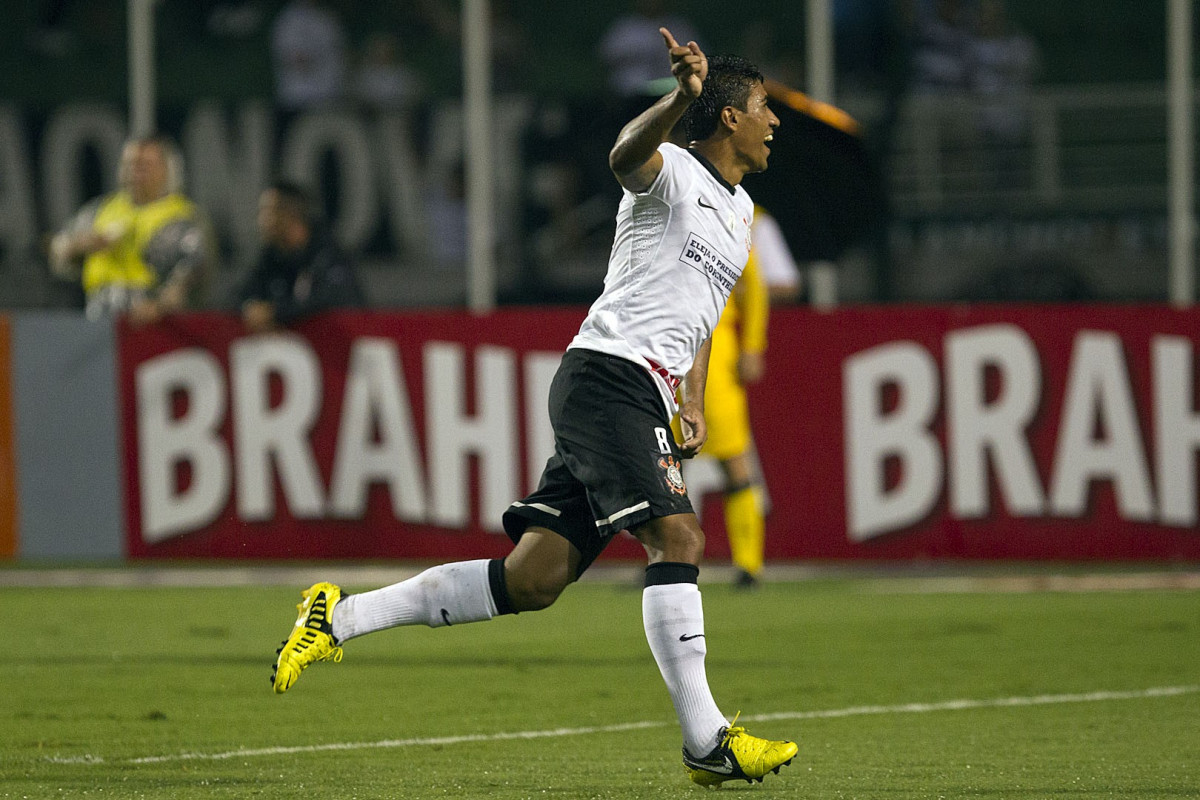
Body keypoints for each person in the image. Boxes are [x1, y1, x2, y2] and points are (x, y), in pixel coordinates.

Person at [270, 30, 797, 787]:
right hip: (608, 375)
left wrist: (689, 388)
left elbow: (704, 311)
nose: (774, 121)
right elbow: (622, 156)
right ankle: (706, 740)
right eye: (762, 107)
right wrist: (677, 98)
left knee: (533, 579)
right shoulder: (673, 170)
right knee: (678, 536)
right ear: (725, 119)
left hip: (644, 386)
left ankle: (338, 617)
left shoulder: (743, 215)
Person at [676, 213, 771, 589]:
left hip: (715, 347)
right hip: (664, 345)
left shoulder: (731, 214)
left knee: (733, 453)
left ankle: (749, 564)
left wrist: (752, 345)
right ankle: (666, 559)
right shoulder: (668, 207)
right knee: (665, 460)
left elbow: (756, 286)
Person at [49, 135, 212, 323]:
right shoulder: (101, 211)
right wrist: (80, 245)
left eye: (145, 166)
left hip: (154, 324)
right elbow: (57, 249)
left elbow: (192, 275)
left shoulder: (182, 217)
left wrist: (160, 306)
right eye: (129, 165)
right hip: (98, 322)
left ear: (167, 171)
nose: (135, 172)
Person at [238, 181, 364, 333]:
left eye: (266, 211)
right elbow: (238, 295)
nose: (260, 221)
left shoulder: (329, 254)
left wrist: (276, 313)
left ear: (288, 215)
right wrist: (251, 309)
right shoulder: (271, 258)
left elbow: (334, 299)